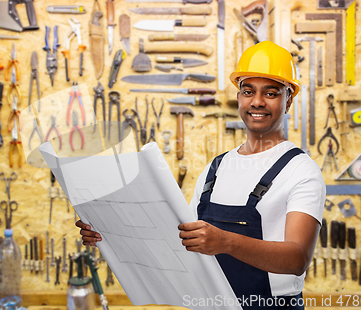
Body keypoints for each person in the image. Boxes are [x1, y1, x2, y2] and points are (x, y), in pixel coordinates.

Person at [76, 41, 326, 309]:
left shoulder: (300, 170)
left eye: (271, 93)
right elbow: (183, 244)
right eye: (248, 90)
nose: (257, 101)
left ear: (289, 100)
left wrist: (225, 242)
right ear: (239, 97)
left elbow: (297, 259)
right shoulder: (215, 169)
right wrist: (110, 235)